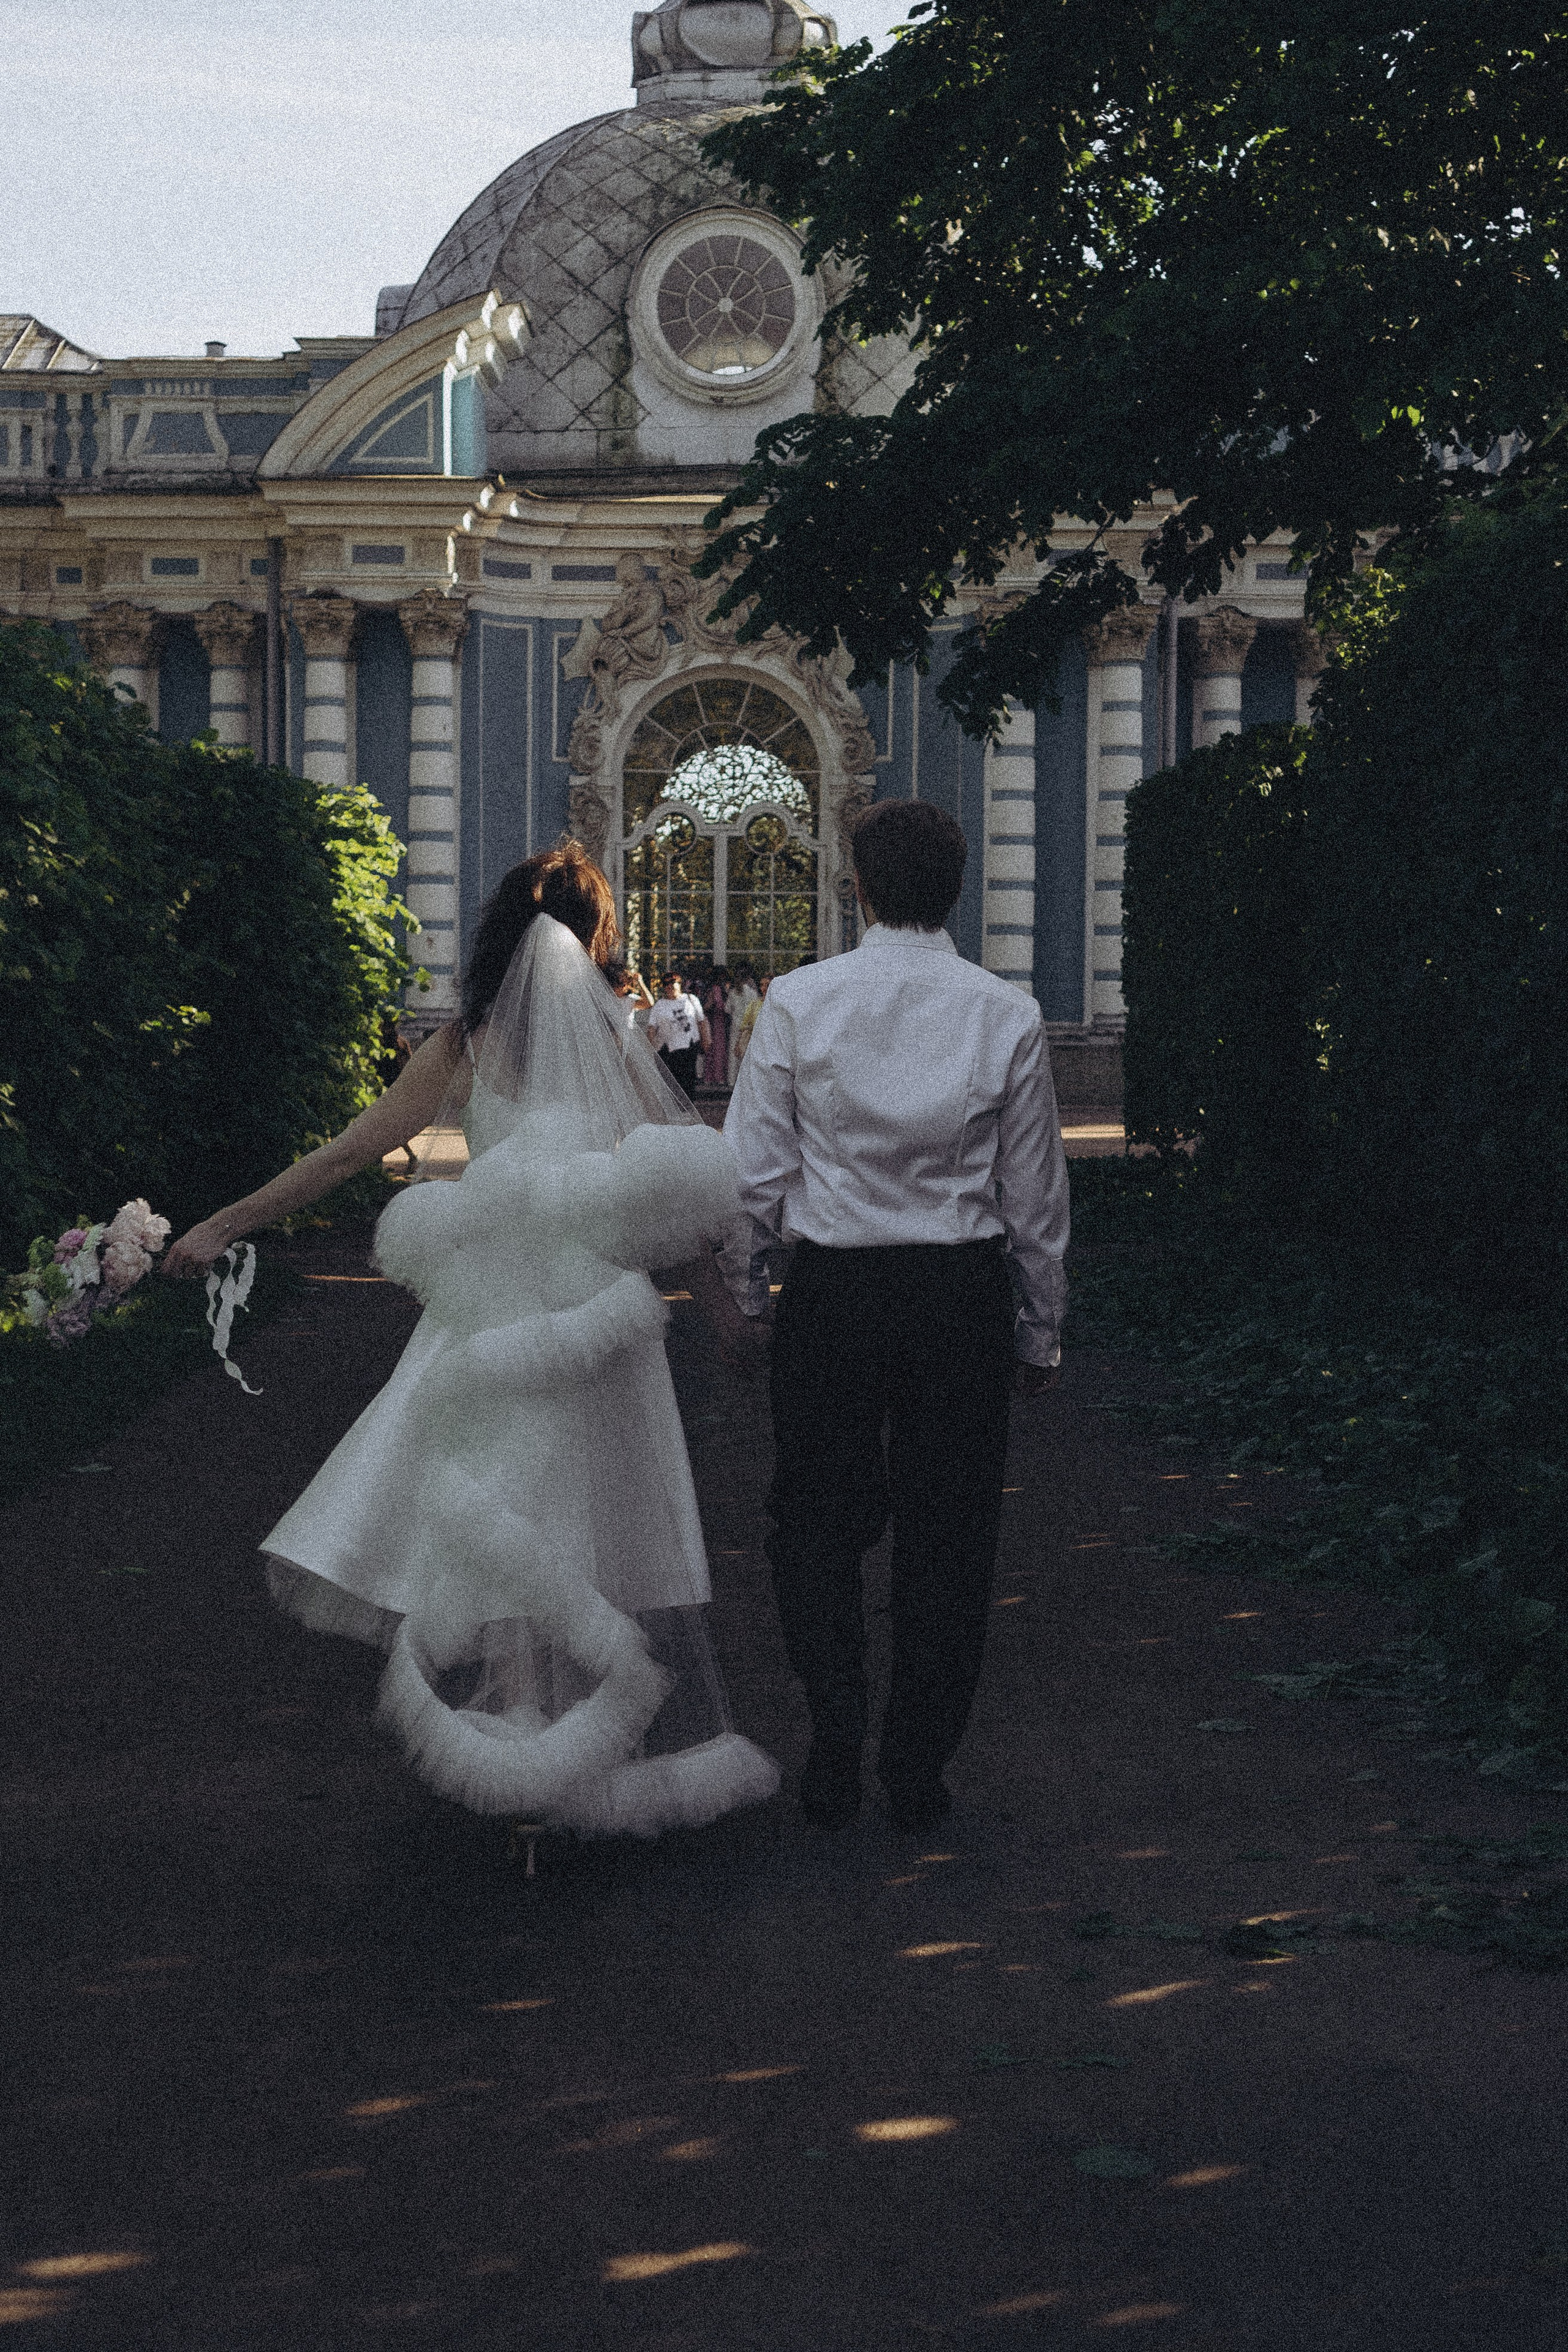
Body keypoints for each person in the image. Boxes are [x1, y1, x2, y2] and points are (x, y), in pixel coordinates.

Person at [162, 842, 777, 1838]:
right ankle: (564, 1752)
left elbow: (358, 1147)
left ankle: (526, 1739)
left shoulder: (467, 1043)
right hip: (590, 1323)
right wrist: (724, 1312)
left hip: (489, 1312)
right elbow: (668, 1204)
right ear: (594, 942)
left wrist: (225, 1223)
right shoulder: (617, 1038)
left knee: (502, 1513)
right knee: (585, 1523)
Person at [709, 799, 1069, 1833]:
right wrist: (1039, 1328)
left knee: (815, 1527)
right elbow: (1035, 1196)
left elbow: (754, 1176)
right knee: (951, 1536)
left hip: (835, 1295)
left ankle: (834, 1735)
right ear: (954, 889)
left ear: (858, 887)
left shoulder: (800, 1003)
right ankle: (916, 1768)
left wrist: (747, 1293)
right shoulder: (1006, 1014)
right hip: (958, 1297)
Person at [645, 968, 709, 1100]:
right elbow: (652, 1028)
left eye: (673, 982)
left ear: (680, 984)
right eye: (666, 984)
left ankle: (689, 1108)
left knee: (689, 1078)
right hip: (668, 1049)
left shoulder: (691, 1000)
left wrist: (706, 1039)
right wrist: (650, 1048)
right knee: (671, 1080)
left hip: (689, 1046)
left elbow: (701, 1021)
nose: (670, 986)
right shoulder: (660, 1005)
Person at [725, 967, 759, 1087]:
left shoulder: (733, 992)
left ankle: (732, 1080)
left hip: (736, 1024)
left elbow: (727, 1009)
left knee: (734, 1052)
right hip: (748, 1026)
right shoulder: (752, 992)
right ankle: (746, 1081)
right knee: (747, 1052)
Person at [702, 967, 731, 1090]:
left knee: (718, 1050)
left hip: (720, 1021)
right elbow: (711, 1006)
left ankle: (714, 1077)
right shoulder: (715, 989)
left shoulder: (723, 989)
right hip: (716, 1021)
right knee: (716, 1049)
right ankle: (716, 1077)